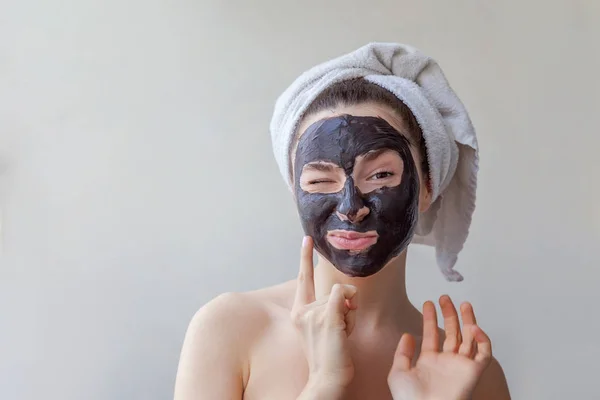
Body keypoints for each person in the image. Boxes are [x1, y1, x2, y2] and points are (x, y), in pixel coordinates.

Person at [174, 43, 511, 399]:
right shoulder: (231, 328)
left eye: (380, 175)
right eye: (320, 181)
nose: (351, 207)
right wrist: (323, 383)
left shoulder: (469, 372)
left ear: (428, 186)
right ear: (296, 194)